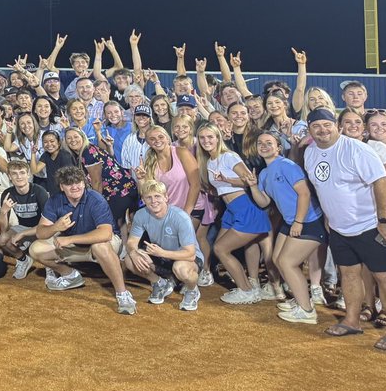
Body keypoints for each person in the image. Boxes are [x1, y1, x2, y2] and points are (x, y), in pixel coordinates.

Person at [302, 108, 386, 350]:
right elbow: (324, 188)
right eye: (316, 126)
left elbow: (382, 181)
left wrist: (384, 220)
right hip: (340, 229)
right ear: (309, 129)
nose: (322, 130)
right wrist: (329, 217)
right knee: (349, 274)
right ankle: (352, 320)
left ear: (337, 125)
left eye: (327, 125)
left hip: (370, 225)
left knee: (385, 277)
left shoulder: (357, 150)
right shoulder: (310, 152)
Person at [242, 131, 327, 325]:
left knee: (287, 262)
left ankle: (307, 310)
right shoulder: (263, 173)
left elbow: (304, 194)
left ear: (278, 147)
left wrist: (298, 222)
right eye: (260, 143)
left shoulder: (287, 166)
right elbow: (264, 202)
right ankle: (300, 299)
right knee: (277, 259)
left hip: (308, 220)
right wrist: (254, 187)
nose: (264, 145)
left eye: (269, 143)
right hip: (291, 221)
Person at [27, 166, 137, 315]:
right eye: (69, 183)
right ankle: (70, 276)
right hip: (75, 246)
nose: (75, 186)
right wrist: (55, 227)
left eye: (78, 182)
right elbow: (40, 232)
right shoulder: (54, 201)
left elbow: (105, 234)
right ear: (61, 187)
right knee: (36, 248)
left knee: (100, 247)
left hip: (105, 244)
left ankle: (122, 294)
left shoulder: (96, 199)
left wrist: (69, 238)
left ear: (84, 183)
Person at [196, 123, 275, 305]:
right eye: (202, 138)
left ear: (218, 138)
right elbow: (221, 189)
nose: (206, 141)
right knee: (221, 246)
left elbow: (248, 180)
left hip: (245, 208)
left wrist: (227, 179)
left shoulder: (228, 156)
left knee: (220, 249)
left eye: (210, 137)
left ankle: (246, 291)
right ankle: (249, 286)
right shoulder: (209, 161)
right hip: (231, 210)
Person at [123, 180, 202, 311]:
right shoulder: (141, 215)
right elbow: (131, 242)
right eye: (149, 197)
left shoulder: (180, 217)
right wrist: (133, 253)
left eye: (157, 196)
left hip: (185, 259)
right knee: (129, 260)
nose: (153, 201)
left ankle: (192, 290)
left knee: (181, 268)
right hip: (160, 255)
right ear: (143, 200)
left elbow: (190, 253)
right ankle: (159, 283)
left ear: (166, 197)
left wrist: (162, 253)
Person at [0, 159, 50, 280]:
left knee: (45, 238)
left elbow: (48, 224)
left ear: (28, 174)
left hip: (42, 227)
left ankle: (50, 267)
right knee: (1, 239)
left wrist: (23, 234)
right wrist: (4, 212)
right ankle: (23, 260)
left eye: (22, 172)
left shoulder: (39, 191)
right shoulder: (7, 194)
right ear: (9, 176)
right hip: (23, 227)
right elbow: (4, 228)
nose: (19, 176)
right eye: (14, 174)